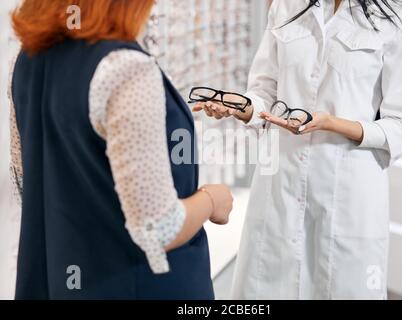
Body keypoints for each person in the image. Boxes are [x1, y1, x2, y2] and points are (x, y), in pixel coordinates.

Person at [194, 0, 402, 299]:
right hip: (279, 188)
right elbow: (265, 91)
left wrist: (332, 123)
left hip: (347, 196)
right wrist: (242, 107)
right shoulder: (286, 6)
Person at [8, 0, 233, 300]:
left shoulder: (26, 61)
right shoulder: (126, 69)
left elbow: (30, 180)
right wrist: (212, 200)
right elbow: (157, 228)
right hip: (137, 283)